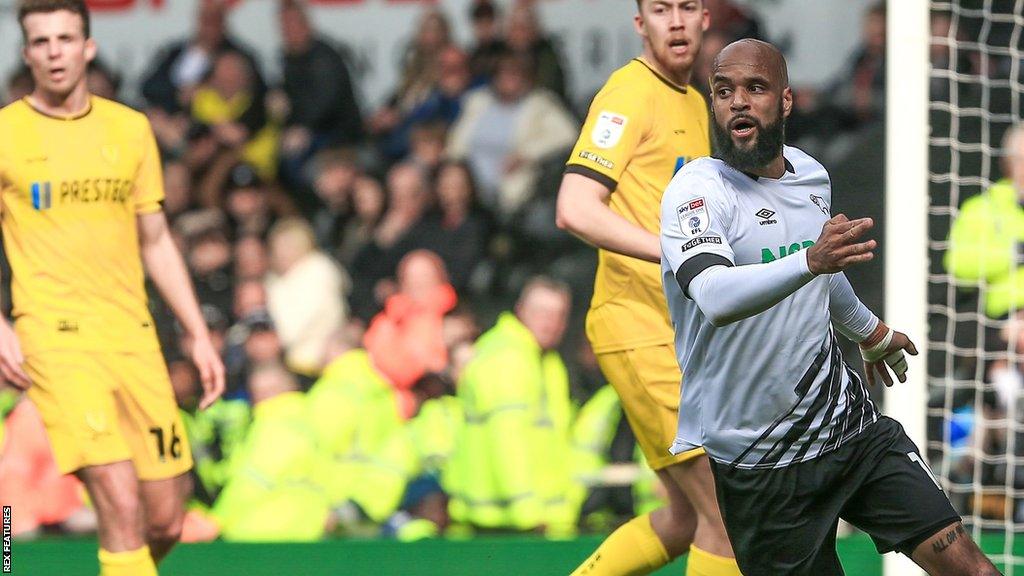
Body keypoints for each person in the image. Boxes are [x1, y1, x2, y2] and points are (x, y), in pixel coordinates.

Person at [659, 38, 998, 575]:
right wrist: (810, 261)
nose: (738, 102)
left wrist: (869, 332)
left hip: (849, 430)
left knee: (973, 569)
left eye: (755, 88)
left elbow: (823, 279)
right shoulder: (696, 193)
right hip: (761, 463)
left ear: (786, 101)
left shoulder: (811, 176)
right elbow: (715, 296)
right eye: (724, 91)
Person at [0, 2, 226, 575]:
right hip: (55, 336)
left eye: (65, 38)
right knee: (116, 498)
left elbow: (156, 240)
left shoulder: (129, 129)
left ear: (89, 47)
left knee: (166, 521)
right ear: (26, 53)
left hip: (133, 336)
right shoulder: (5, 134)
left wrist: (197, 333)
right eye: (41, 41)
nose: (54, 52)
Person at [556, 1, 740, 574]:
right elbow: (574, 208)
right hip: (635, 327)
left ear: (706, 18)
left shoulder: (692, 100)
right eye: (661, 9)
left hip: (677, 334)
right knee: (727, 517)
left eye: (687, 6)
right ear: (641, 24)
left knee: (687, 518)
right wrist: (674, 253)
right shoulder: (628, 94)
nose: (676, 20)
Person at [447, 277, 574, 535]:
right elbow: (507, 437)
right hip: (504, 520)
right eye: (541, 312)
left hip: (532, 516)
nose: (550, 322)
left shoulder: (546, 361)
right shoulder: (507, 357)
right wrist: (527, 511)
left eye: (558, 314)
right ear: (520, 311)